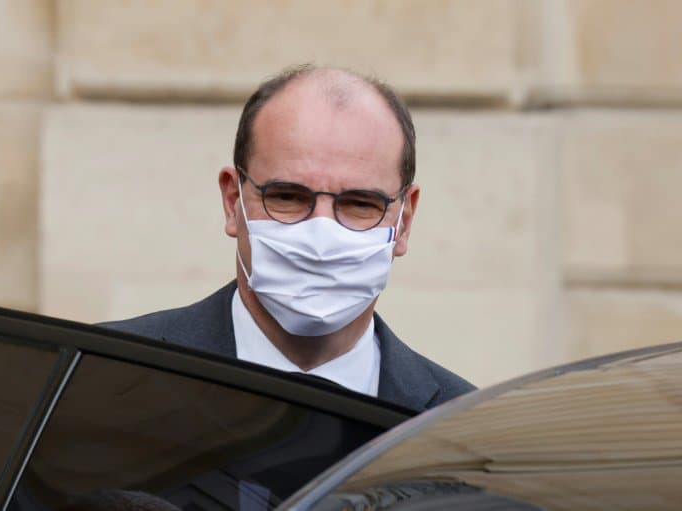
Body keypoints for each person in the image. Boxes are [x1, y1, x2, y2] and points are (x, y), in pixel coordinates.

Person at [103, 65, 474, 411]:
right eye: (287, 197)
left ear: (404, 221)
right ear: (233, 202)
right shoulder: (103, 377)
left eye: (360, 203)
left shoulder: (460, 427)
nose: (320, 238)